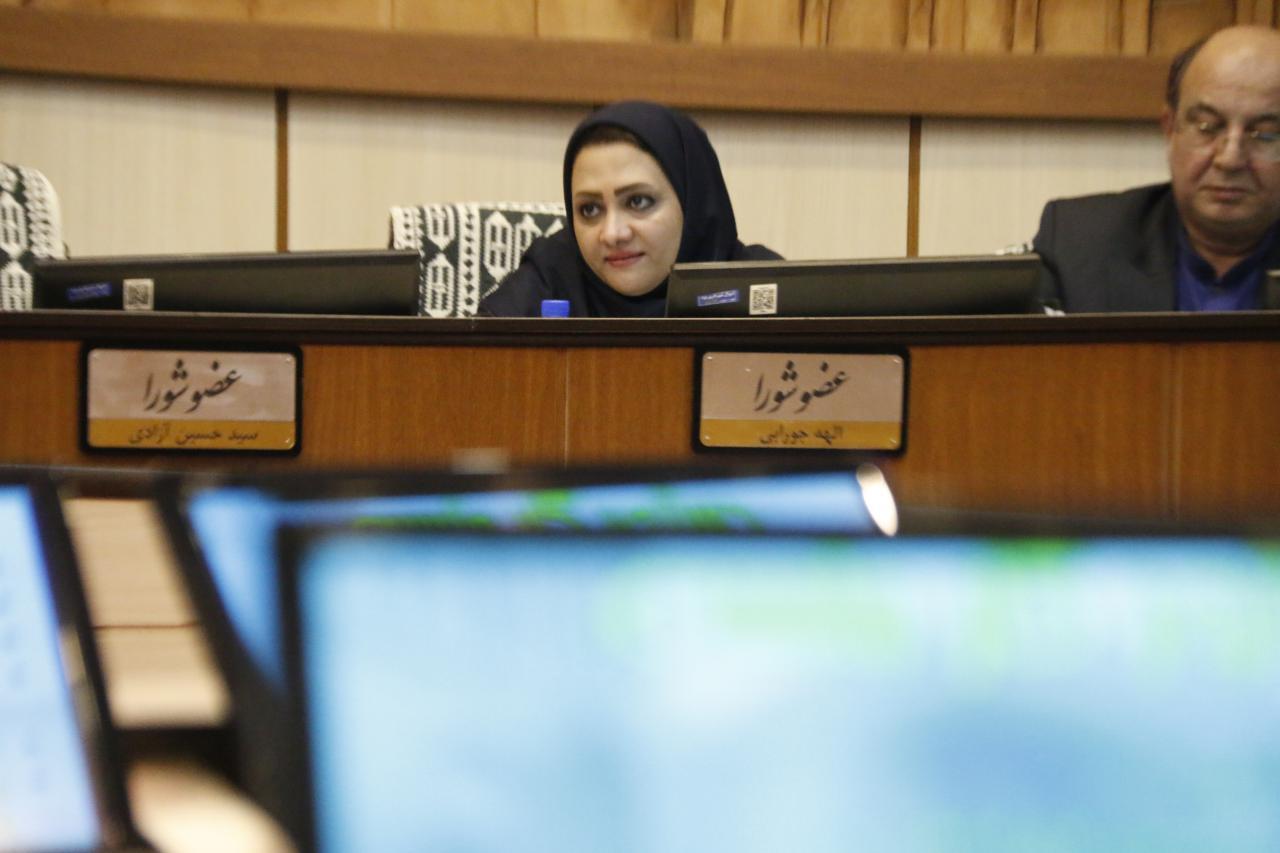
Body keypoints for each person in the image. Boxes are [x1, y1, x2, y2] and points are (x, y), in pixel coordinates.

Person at [1032, 25, 1280, 312]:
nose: (1230, 159)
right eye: (1207, 127)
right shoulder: (1078, 241)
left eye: (1265, 134)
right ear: (1170, 128)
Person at [480, 101, 780, 317]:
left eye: (638, 202)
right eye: (590, 209)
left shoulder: (764, 290)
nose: (612, 233)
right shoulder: (552, 279)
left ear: (693, 206)